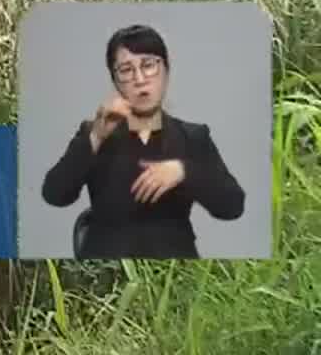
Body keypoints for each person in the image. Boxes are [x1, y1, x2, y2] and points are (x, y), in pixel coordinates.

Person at [40, 23, 245, 258]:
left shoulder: (193, 136)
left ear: (166, 71)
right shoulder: (94, 132)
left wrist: (184, 171)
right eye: (126, 70)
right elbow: (54, 194)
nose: (139, 79)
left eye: (148, 65)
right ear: (116, 82)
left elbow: (232, 206)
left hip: (174, 268)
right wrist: (96, 137)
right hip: (108, 266)